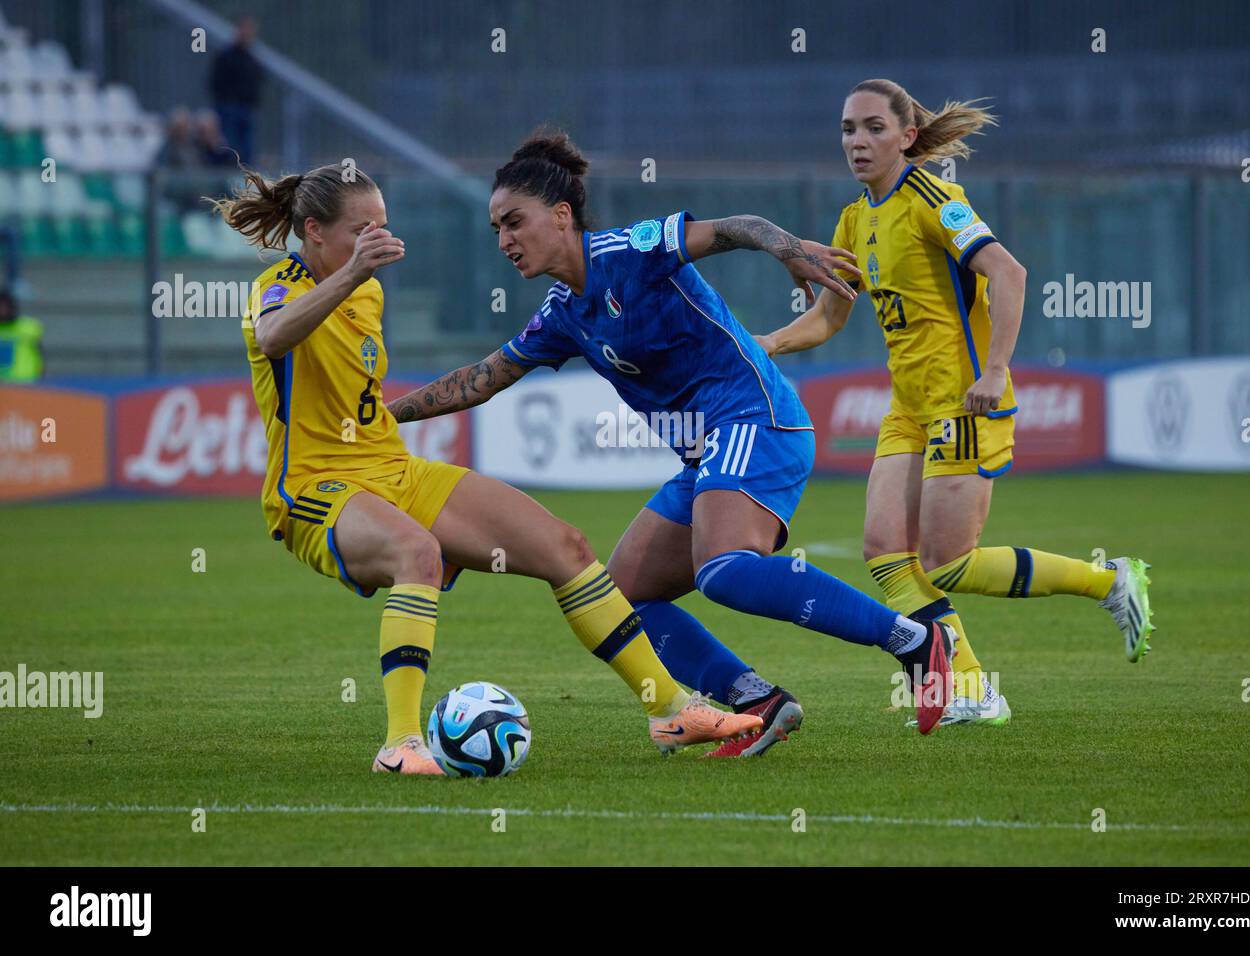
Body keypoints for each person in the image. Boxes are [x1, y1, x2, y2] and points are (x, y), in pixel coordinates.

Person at [387, 130, 959, 742]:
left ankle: (917, 640)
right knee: (620, 597)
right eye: (496, 228)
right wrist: (381, 415)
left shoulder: (626, 251)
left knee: (725, 568)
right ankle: (756, 700)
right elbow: (480, 380)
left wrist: (788, 249)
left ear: (560, 216)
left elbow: (733, 226)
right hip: (707, 451)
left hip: (754, 416)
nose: (503, 240)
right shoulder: (561, 313)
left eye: (513, 221)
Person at [206, 162, 760, 776]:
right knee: (416, 553)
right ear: (313, 231)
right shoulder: (278, 287)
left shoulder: (368, 288)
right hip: (313, 488)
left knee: (566, 546)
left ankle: (671, 710)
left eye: (383, 228)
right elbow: (276, 337)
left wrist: (361, 288)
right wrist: (355, 270)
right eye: (363, 230)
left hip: (392, 469)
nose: (378, 242)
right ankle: (400, 745)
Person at [755, 78, 1154, 728]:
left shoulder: (936, 199)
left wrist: (995, 370)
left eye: (873, 128)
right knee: (885, 553)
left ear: (907, 136)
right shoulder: (856, 217)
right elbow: (829, 318)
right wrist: (766, 342)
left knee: (950, 563)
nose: (857, 140)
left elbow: (1011, 273)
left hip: (962, 402)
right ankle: (971, 686)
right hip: (907, 405)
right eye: (848, 129)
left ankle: (1110, 582)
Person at [209, 15, 261, 164]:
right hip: (228, 108)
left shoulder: (252, 58)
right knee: (229, 147)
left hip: (246, 109)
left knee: (247, 150)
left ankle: (244, 179)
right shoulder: (226, 56)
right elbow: (215, 82)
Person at [0, 290, 44, 382]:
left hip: (26, 383)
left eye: (5, 306)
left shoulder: (30, 327)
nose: (2, 310)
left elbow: (40, 355)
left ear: (13, 307)